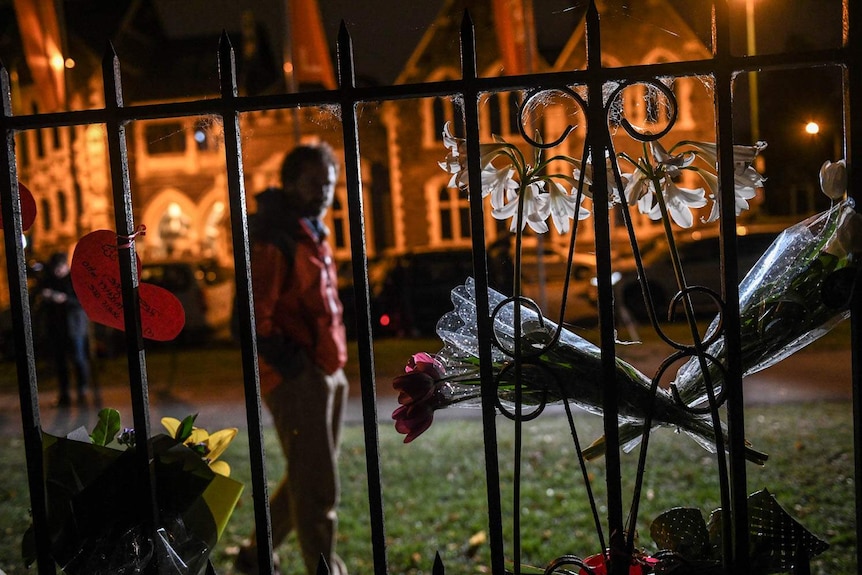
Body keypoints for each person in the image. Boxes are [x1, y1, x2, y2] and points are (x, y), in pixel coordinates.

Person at [235, 143, 349, 575]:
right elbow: (251, 317)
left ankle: (253, 555)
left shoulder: (309, 229)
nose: (323, 192)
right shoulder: (273, 236)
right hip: (298, 376)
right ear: (290, 182)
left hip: (325, 369)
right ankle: (324, 568)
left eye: (329, 183)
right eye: (313, 183)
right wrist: (296, 366)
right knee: (318, 485)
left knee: (307, 475)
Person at [39, 252, 91, 407]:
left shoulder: (74, 279)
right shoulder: (50, 280)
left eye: (59, 268)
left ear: (65, 266)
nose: (57, 272)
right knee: (60, 362)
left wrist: (64, 299)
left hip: (74, 326)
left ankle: (82, 390)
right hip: (57, 327)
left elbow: (83, 302)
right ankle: (64, 393)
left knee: (78, 359)